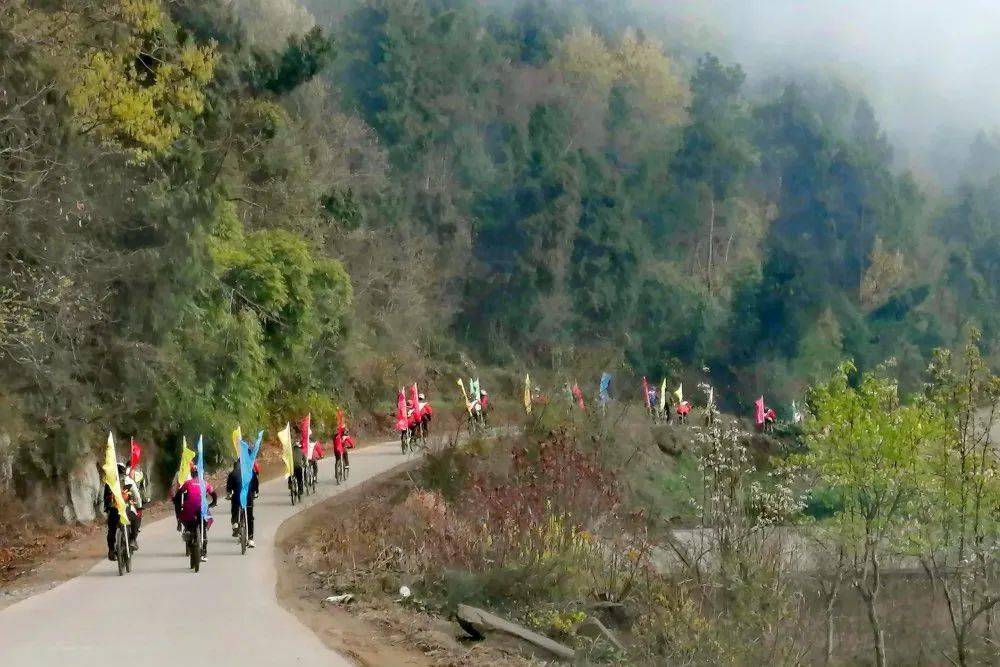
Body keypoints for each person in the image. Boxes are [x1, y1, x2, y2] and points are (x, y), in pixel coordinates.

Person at [173, 466, 218, 562]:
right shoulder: (205, 483)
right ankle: (204, 553)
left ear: (192, 474)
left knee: (188, 524)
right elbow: (213, 494)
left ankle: (187, 533)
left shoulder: (188, 483)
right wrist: (213, 504)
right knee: (204, 530)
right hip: (202, 509)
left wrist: (177, 503)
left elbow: (178, 495)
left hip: (189, 510)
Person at [103, 462, 142, 560]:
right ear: (124, 470)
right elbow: (137, 497)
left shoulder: (109, 482)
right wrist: (139, 507)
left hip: (113, 511)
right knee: (136, 518)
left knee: (111, 530)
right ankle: (132, 539)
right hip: (127, 510)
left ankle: (111, 550)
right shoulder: (128, 480)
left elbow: (105, 499)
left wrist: (107, 509)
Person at [226, 459, 259, 548]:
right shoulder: (250, 471)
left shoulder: (233, 473)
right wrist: (256, 493)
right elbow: (256, 484)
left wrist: (229, 493)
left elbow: (229, 488)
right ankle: (251, 539)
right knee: (250, 517)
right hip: (248, 497)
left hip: (237, 497)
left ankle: (235, 523)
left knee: (234, 505)